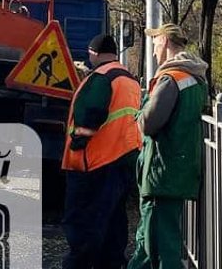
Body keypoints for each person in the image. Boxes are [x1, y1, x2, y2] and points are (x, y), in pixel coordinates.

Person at [128, 23, 208, 269]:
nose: (153, 51)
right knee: (152, 240)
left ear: (164, 41)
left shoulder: (171, 78)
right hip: (178, 168)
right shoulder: (196, 79)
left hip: (162, 171)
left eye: (154, 44)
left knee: (161, 245)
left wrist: (140, 113)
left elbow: (149, 123)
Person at [61, 33, 142, 269]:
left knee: (83, 226)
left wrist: (77, 141)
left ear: (94, 53)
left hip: (93, 164)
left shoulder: (100, 78)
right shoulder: (130, 80)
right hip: (121, 160)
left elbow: (90, 115)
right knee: (113, 225)